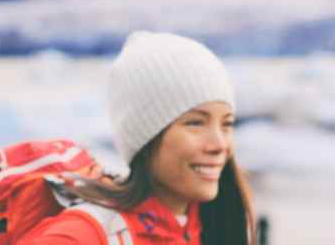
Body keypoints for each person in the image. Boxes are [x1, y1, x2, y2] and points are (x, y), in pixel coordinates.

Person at [19, 31, 257, 245]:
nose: (219, 145)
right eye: (195, 123)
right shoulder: (84, 235)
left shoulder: (206, 227)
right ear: (144, 135)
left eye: (227, 124)